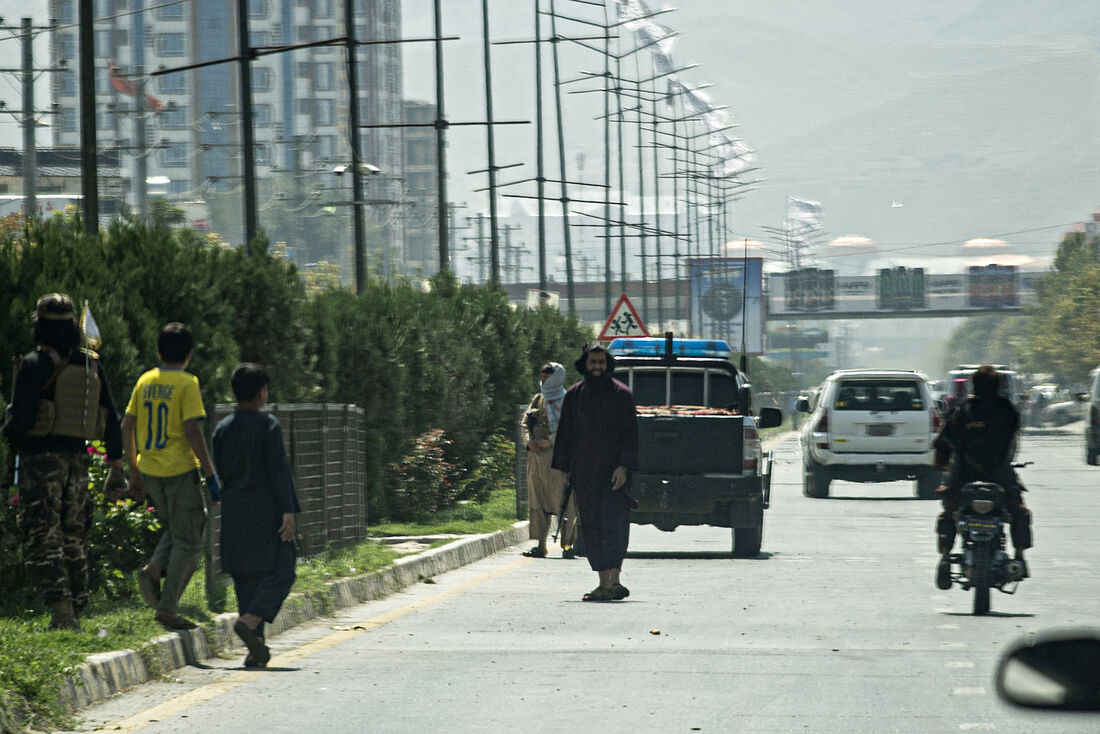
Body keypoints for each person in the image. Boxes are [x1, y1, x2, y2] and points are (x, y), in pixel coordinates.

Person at [1, 294, 126, 630]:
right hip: (78, 463)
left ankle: (61, 612)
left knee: (43, 535)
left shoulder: (33, 364)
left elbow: (23, 421)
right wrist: (116, 465)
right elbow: (111, 418)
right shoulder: (90, 364)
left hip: (42, 463)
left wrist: (8, 427)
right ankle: (77, 606)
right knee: (74, 535)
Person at [122, 323, 220, 630]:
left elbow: (126, 426)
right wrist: (210, 472)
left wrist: (134, 471)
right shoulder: (188, 383)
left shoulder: (145, 380)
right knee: (190, 540)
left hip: (150, 469)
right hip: (179, 469)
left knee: (177, 529)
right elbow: (192, 429)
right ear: (189, 355)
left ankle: (153, 569)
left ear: (158, 352)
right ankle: (167, 607)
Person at [212, 363, 300, 668]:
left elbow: (219, 471)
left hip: (234, 511)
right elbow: (278, 469)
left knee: (246, 578)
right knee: (283, 568)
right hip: (267, 510)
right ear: (261, 392)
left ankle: (256, 649)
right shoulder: (268, 425)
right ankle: (249, 623)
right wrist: (288, 510)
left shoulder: (222, 429)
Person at [552, 342, 638, 602]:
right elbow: (566, 434)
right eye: (593, 363)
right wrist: (565, 469)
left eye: (601, 363)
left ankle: (615, 579)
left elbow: (631, 436)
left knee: (615, 525)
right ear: (585, 365)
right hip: (584, 472)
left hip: (614, 475)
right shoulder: (574, 395)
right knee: (591, 525)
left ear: (607, 364)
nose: (598, 367)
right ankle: (603, 582)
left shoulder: (622, 394)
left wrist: (624, 467)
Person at [932, 364, 1032, 590]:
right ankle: (1019, 556)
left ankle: (946, 557)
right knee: (1018, 511)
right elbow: (1012, 439)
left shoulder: (963, 411)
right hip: (1000, 474)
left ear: (973, 385)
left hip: (963, 475)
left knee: (949, 512)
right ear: (998, 387)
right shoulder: (1008, 410)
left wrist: (942, 465)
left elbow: (943, 442)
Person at [521, 363, 577, 559]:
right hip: (536, 460)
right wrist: (529, 442)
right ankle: (540, 544)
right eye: (542, 377)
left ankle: (568, 545)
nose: (544, 381)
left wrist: (548, 442)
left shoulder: (567, 400)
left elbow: (569, 429)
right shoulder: (538, 399)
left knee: (564, 502)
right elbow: (525, 423)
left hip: (558, 459)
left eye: (548, 378)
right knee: (538, 502)